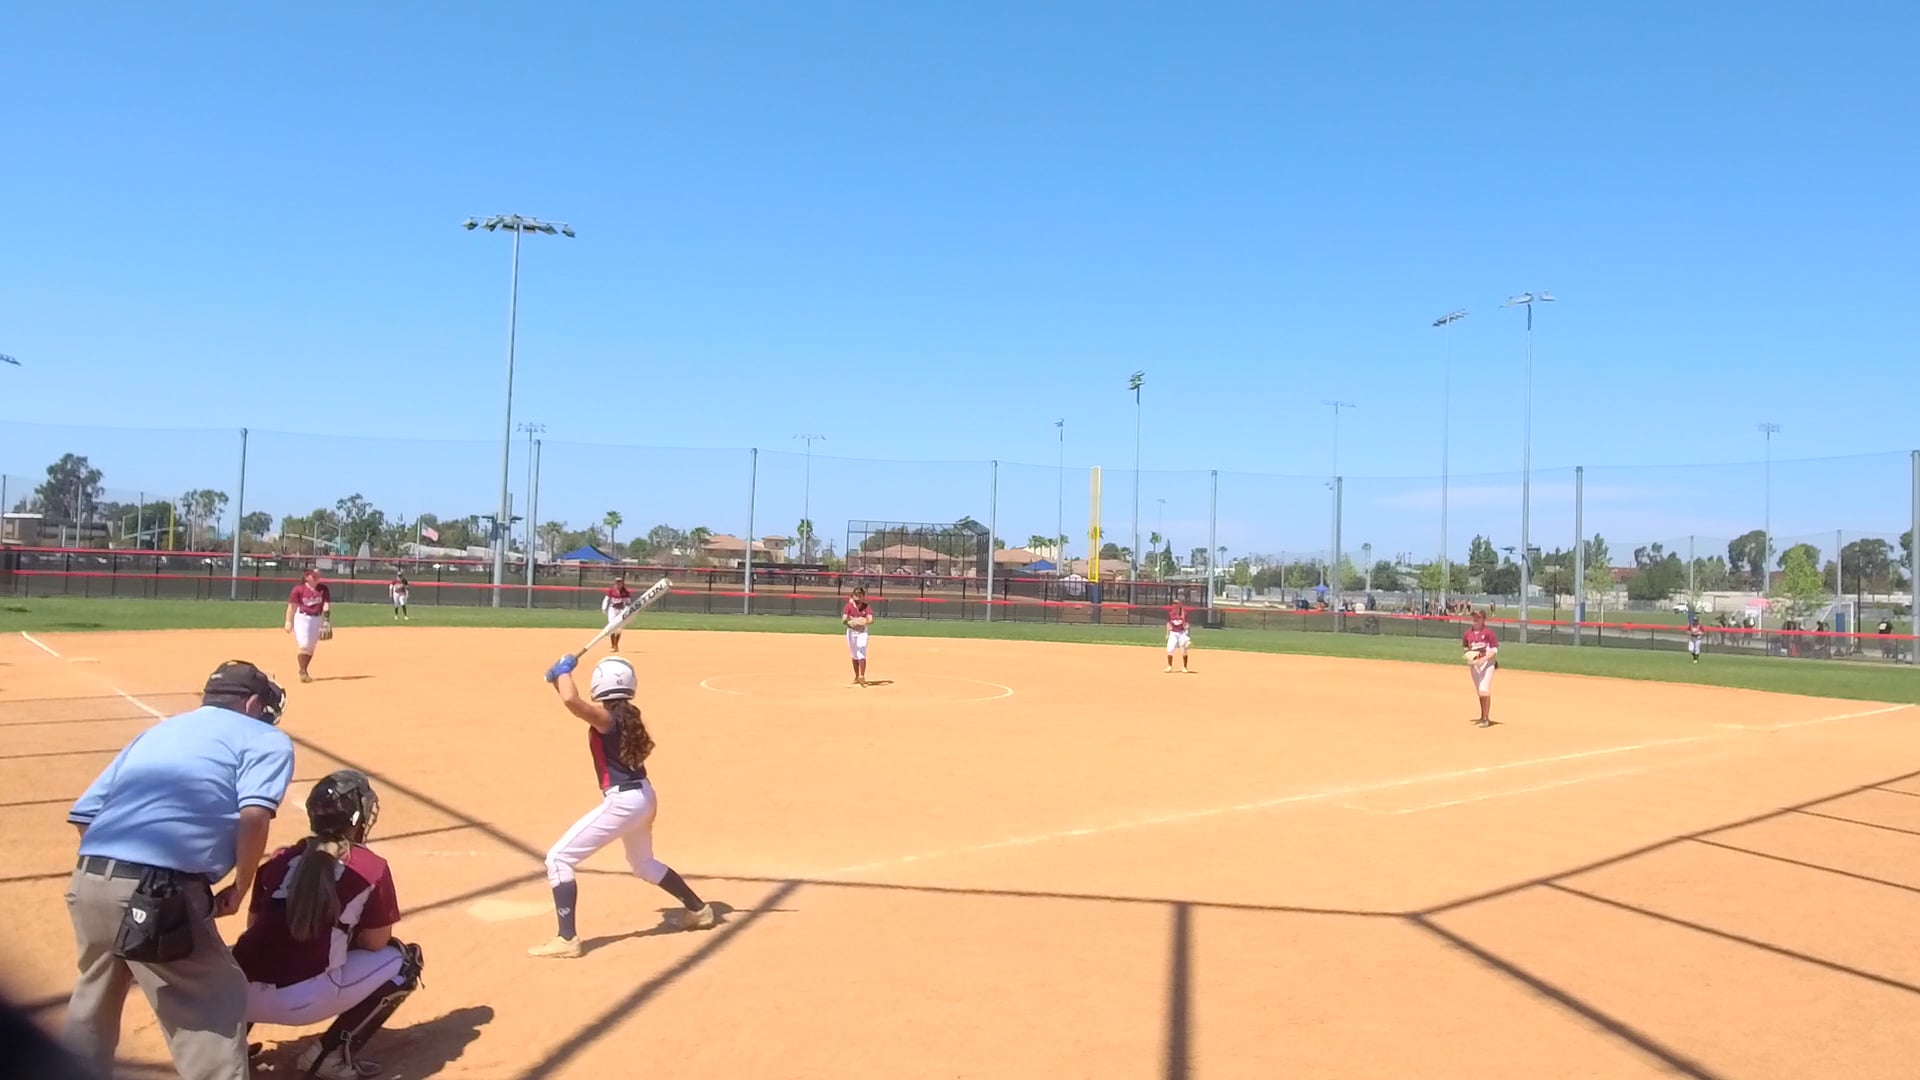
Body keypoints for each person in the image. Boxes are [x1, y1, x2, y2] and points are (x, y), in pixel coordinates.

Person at [63, 660, 295, 1080]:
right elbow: (254, 817)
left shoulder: (158, 732)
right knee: (215, 1001)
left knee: (93, 999)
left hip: (90, 878)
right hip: (159, 892)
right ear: (252, 703)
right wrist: (240, 887)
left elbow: (85, 814)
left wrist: (118, 871)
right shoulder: (264, 738)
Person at [234, 770, 424, 1080]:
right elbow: (375, 943)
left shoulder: (278, 859)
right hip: (302, 1001)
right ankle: (329, 1056)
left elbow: (254, 925)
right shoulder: (370, 866)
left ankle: (229, 1049)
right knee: (405, 961)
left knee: (260, 950)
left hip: (236, 997)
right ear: (358, 818)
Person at [529, 654, 717, 959]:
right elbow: (572, 702)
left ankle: (567, 939)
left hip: (623, 802)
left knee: (558, 859)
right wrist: (557, 679)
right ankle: (699, 910)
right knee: (643, 864)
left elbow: (572, 701)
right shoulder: (626, 716)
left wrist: (564, 671)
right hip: (644, 796)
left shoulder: (606, 719)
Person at [285, 569, 332, 683]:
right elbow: (292, 607)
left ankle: (304, 670)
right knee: (304, 644)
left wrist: (326, 620)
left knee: (311, 647)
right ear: (307, 577)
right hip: (302, 618)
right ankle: (302, 671)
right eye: (313, 575)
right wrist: (288, 621)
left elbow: (326, 605)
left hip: (317, 618)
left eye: (318, 575)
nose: (316, 577)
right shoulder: (298, 589)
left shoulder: (323, 589)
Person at [1461, 610, 1499, 728]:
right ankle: (1483, 716)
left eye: (1478, 617)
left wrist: (1484, 659)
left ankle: (1486, 719)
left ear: (1483, 619)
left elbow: (1494, 650)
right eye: (1474, 617)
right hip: (1474, 666)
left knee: (1484, 690)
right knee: (1479, 691)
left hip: (1487, 664)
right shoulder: (1468, 633)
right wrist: (1468, 655)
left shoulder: (1488, 633)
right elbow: (1466, 647)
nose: (1475, 619)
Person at [843, 586, 873, 686]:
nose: (858, 596)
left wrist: (863, 622)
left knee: (861, 652)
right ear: (853, 595)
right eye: (856, 594)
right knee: (854, 654)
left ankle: (862, 676)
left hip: (862, 632)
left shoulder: (866, 606)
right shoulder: (848, 606)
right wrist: (851, 623)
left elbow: (870, 620)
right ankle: (856, 676)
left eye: (860, 594)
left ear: (863, 596)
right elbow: (844, 619)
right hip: (851, 632)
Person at [602, 575, 635, 654]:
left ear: (622, 583)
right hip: (612, 609)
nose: (618, 584)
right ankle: (613, 645)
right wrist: (604, 608)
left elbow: (628, 602)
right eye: (617, 582)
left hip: (621, 610)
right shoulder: (611, 590)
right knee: (612, 626)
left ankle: (616, 645)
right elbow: (606, 599)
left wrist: (627, 609)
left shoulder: (625, 592)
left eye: (620, 582)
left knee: (619, 628)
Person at [1164, 602, 1193, 673]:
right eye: (1174, 604)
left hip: (1182, 633)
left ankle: (1185, 667)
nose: (1175, 606)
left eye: (1176, 604)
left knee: (1184, 650)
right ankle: (1170, 666)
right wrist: (1167, 633)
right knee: (1170, 649)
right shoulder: (1171, 614)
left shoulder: (1184, 614)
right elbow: (1168, 623)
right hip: (1173, 633)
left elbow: (1187, 624)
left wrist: (1187, 634)